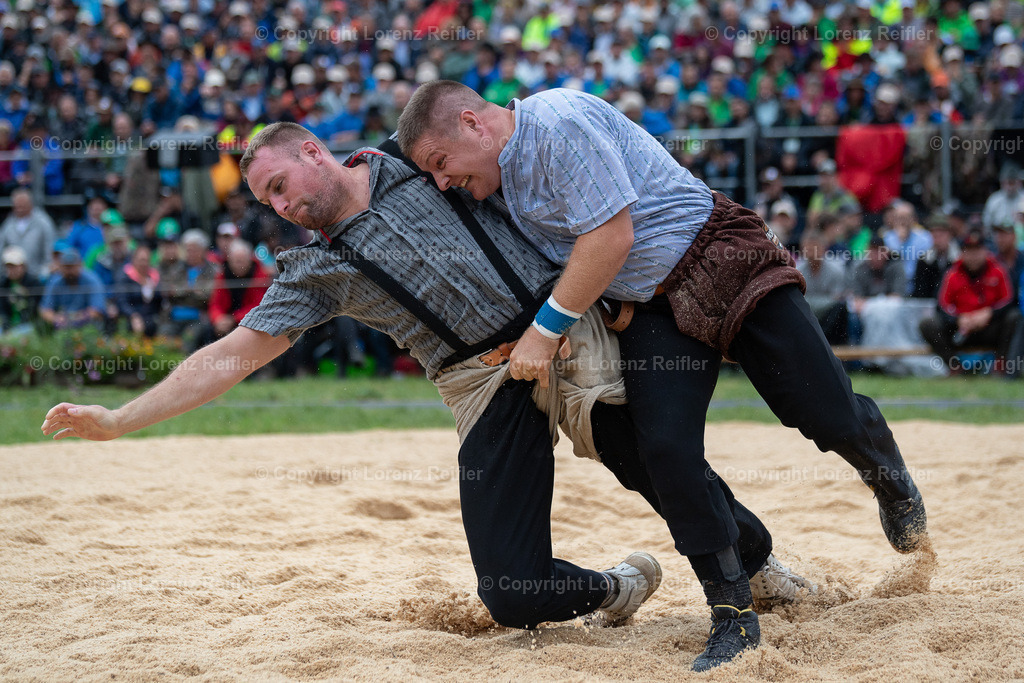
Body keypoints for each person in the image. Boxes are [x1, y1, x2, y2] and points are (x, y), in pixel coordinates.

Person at [43, 123, 807, 641]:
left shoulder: (415, 157)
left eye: (279, 184)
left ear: (312, 150)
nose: (281, 206)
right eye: (268, 201)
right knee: (509, 594)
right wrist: (120, 418)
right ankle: (618, 587)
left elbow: (509, 147)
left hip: (559, 330)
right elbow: (233, 353)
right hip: (477, 381)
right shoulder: (314, 269)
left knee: (655, 460)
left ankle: (757, 562)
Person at [398, 82, 927, 671]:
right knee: (666, 451)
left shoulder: (556, 120)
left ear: (472, 123)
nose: (442, 182)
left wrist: (544, 333)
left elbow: (610, 236)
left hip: (721, 257)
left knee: (824, 413)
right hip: (652, 309)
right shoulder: (493, 181)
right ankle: (732, 612)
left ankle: (889, 476)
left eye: (441, 163)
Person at [919, 230, 1021, 375]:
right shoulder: (952, 273)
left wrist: (989, 313)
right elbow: (942, 305)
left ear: (985, 251)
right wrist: (958, 319)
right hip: (961, 329)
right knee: (928, 324)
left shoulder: (998, 270)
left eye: (977, 251)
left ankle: (1001, 366)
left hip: (989, 326)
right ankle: (955, 367)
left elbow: (1009, 300)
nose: (973, 256)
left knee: (1014, 317)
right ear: (962, 253)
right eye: (969, 251)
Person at [39, 248, 106, 330]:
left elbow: (97, 310)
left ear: (80, 265)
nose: (69, 271)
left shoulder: (92, 280)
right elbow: (45, 310)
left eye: (72, 267)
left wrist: (79, 317)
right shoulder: (55, 281)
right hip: (63, 327)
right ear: (60, 267)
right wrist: (56, 318)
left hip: (89, 326)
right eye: (66, 267)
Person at [0, 188, 56, 278]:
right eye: (17, 206)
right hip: (14, 277)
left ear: (30, 204)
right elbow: (2, 248)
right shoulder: (8, 224)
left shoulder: (43, 222)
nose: (20, 209)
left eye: (23, 205)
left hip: (37, 275)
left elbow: (49, 249)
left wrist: (45, 271)